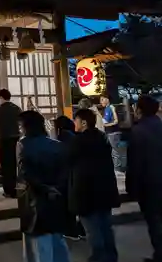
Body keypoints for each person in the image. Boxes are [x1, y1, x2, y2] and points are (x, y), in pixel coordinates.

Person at [17, 111, 70, 262]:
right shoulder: (57, 145)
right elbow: (65, 172)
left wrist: (44, 188)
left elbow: (25, 173)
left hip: (34, 199)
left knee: (38, 247)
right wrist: (55, 188)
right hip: (56, 199)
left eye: (20, 126)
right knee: (57, 241)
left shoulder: (23, 144)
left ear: (26, 126)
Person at [70, 108, 120, 262]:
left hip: (87, 192)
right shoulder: (102, 138)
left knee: (92, 229)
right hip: (105, 188)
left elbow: (69, 162)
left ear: (83, 123)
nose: (74, 123)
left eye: (76, 120)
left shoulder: (78, 141)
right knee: (105, 226)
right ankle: (111, 256)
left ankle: (98, 258)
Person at [127, 95, 162, 262]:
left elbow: (134, 163)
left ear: (139, 109)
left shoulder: (138, 131)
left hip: (149, 184)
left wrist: (131, 187)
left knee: (154, 222)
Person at [54, 116, 86, 241]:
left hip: (66, 176)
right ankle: (82, 230)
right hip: (79, 175)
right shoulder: (76, 137)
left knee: (67, 205)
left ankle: (71, 231)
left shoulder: (62, 138)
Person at [0, 89, 22, 198]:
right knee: (13, 165)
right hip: (15, 139)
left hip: (3, 139)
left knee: (5, 165)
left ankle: (7, 190)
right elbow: (21, 122)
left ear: (1, 98)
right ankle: (14, 189)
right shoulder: (17, 109)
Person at [100, 95, 124, 173]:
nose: (101, 102)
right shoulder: (110, 108)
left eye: (102, 99)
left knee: (115, 151)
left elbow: (105, 122)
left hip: (113, 133)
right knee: (115, 151)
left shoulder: (109, 108)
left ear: (107, 100)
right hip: (113, 132)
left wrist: (103, 124)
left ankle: (117, 169)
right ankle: (117, 168)